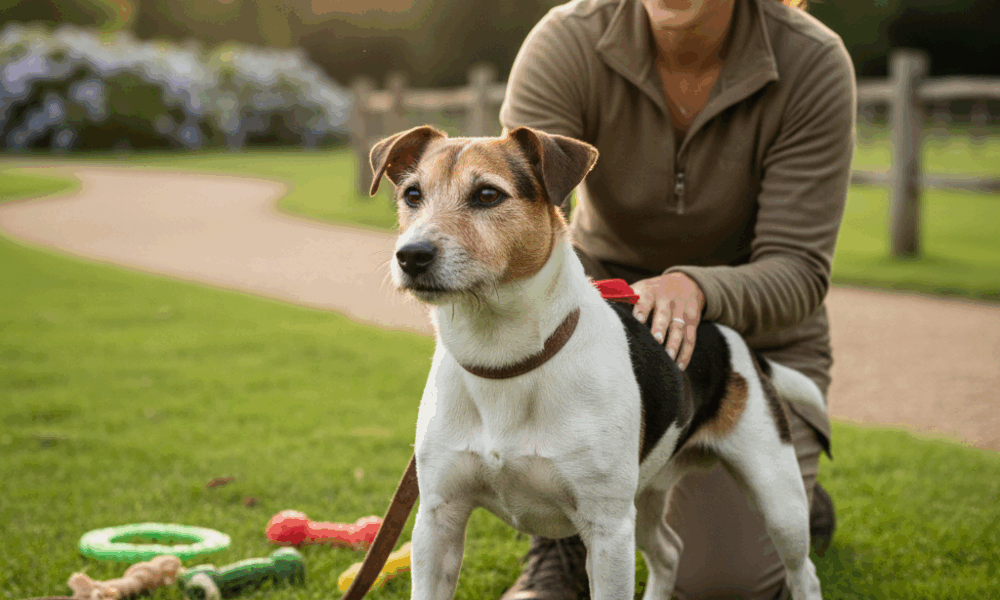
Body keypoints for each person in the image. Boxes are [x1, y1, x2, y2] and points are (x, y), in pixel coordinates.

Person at [497, 0, 855, 598]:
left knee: (724, 584)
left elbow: (798, 269)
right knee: (582, 458)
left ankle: (787, 479)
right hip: (592, 316)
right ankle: (562, 547)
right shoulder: (567, 39)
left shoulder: (811, 60)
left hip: (748, 339)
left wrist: (696, 286)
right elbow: (520, 222)